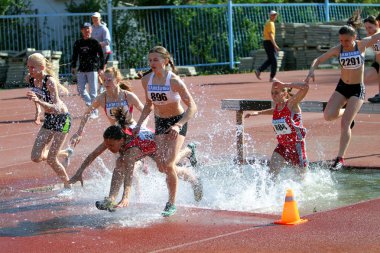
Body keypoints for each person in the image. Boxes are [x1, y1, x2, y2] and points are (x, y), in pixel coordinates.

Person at [68, 67, 200, 212]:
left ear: (118, 80)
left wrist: (140, 127)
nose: (106, 82)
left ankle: (190, 167)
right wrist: (79, 132)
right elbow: (87, 115)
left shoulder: (127, 96)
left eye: (109, 80)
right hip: (118, 135)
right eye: (104, 80)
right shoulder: (102, 98)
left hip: (136, 136)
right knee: (121, 163)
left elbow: (146, 109)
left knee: (166, 167)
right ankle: (112, 199)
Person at [133, 45, 198, 217]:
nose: (152, 63)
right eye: (150, 60)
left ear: (166, 61)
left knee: (169, 164)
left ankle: (171, 203)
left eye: (155, 59)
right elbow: (148, 105)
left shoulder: (174, 80)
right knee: (162, 166)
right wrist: (139, 124)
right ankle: (192, 173)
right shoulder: (146, 80)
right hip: (160, 121)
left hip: (177, 121)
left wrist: (178, 125)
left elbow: (192, 107)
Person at [305, 25, 380, 170]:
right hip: (342, 87)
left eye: (347, 40)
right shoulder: (338, 49)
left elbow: (377, 36)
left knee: (345, 123)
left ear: (354, 37)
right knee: (328, 115)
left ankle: (340, 158)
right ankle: (347, 114)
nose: (344, 43)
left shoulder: (362, 44)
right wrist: (311, 71)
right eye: (341, 40)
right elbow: (318, 60)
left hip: (357, 89)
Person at [26, 53, 72, 192]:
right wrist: (38, 112)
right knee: (35, 157)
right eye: (28, 67)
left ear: (42, 67)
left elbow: (57, 107)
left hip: (62, 119)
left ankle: (68, 186)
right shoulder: (31, 79)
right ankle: (64, 153)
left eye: (33, 68)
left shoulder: (49, 81)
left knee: (51, 159)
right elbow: (36, 95)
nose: (30, 70)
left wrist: (38, 101)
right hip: (49, 119)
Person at [245, 80, 309, 177]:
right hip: (283, 146)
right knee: (271, 176)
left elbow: (305, 87)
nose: (273, 95)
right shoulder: (278, 107)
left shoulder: (292, 104)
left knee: (301, 181)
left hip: (297, 146)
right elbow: (275, 111)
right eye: (272, 93)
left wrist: (285, 84)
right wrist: (258, 113)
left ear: (285, 93)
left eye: (276, 93)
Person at [71, 22, 104, 119]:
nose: (86, 31)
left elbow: (101, 56)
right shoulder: (78, 43)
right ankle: (91, 106)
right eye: (84, 29)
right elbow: (74, 55)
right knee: (80, 90)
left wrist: (101, 68)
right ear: (81, 31)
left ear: (91, 30)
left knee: (93, 92)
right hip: (81, 69)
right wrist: (73, 66)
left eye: (88, 28)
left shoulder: (94, 42)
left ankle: (95, 112)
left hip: (92, 70)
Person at [254, 10, 280, 82]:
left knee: (270, 60)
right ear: (270, 15)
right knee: (274, 60)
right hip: (269, 42)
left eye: (275, 15)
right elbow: (271, 35)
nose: (274, 16)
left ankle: (258, 70)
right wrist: (275, 45)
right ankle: (272, 77)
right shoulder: (271, 23)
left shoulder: (268, 22)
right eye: (273, 15)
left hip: (266, 42)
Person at [365, 14, 380, 103]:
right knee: (363, 76)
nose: (368, 30)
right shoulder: (372, 37)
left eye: (370, 27)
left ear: (377, 24)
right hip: (377, 64)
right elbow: (361, 44)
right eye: (366, 28)